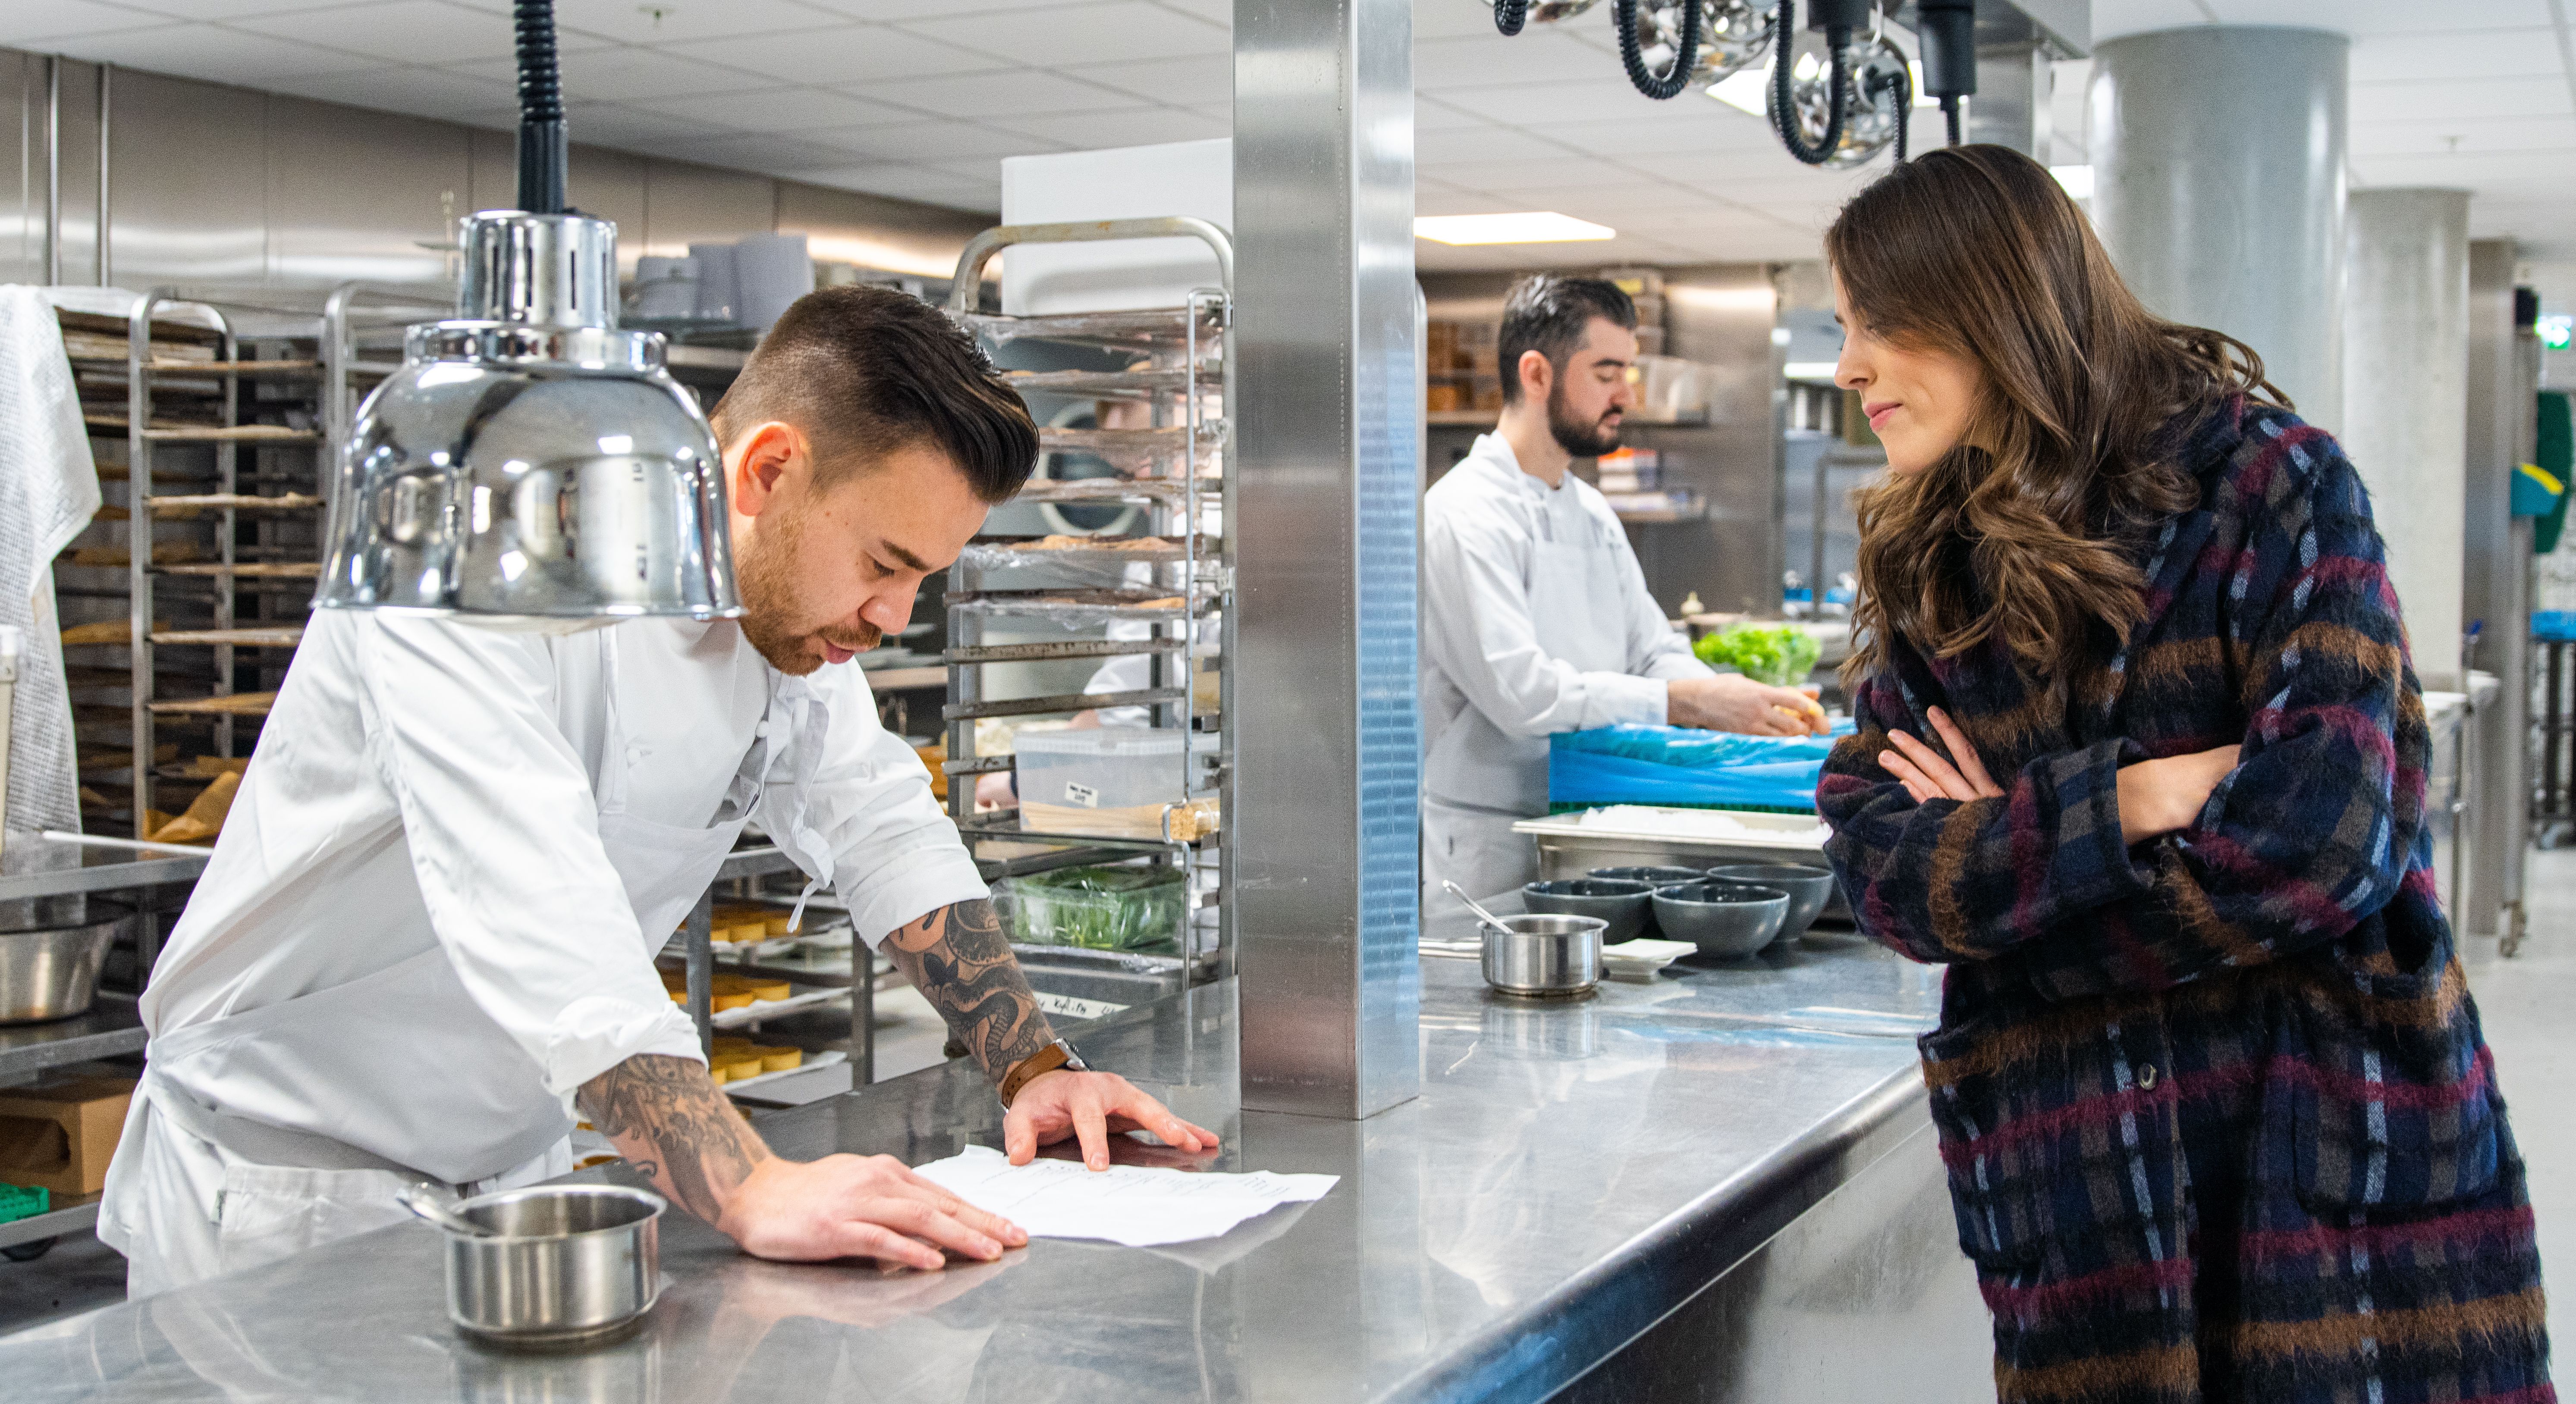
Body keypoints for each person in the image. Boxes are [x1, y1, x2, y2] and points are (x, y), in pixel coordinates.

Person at [98, 286, 1218, 1298]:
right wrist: (744, 1182)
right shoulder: (472, 567)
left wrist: (1033, 1063)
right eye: (885, 564)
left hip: (510, 1179)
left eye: (921, 579)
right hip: (278, 1187)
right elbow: (530, 893)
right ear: (768, 472)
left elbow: (875, 818)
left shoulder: (784, 629)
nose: (893, 618)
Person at [1812, 147, 2550, 1398]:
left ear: (1996, 301)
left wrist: (2016, 899)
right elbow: (1880, 871)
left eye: (1877, 323)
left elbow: (2321, 850)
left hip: (2329, 1177)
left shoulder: (2277, 488)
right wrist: (2131, 803)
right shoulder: (1935, 557)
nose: (1849, 367)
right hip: (2086, 1200)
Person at [1423, 275, 1827, 903]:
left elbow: (1651, 648)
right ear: (1536, 375)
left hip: (1592, 822)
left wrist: (1726, 700)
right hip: (1489, 840)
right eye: (1607, 373)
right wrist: (1685, 703)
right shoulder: (1462, 513)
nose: (1626, 394)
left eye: (1628, 372)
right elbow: (1521, 697)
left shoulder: (1590, 510)